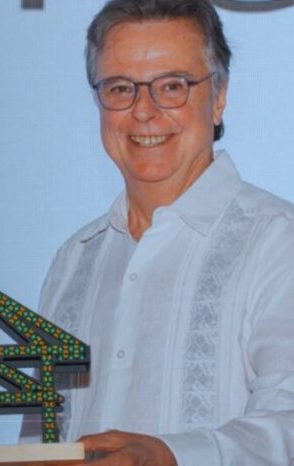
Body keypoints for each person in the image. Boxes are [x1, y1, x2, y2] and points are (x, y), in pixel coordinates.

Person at [19, 1, 293, 465]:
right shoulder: (73, 259)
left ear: (219, 97)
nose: (144, 111)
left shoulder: (278, 243)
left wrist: (171, 455)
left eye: (172, 86)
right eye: (120, 88)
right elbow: (39, 440)